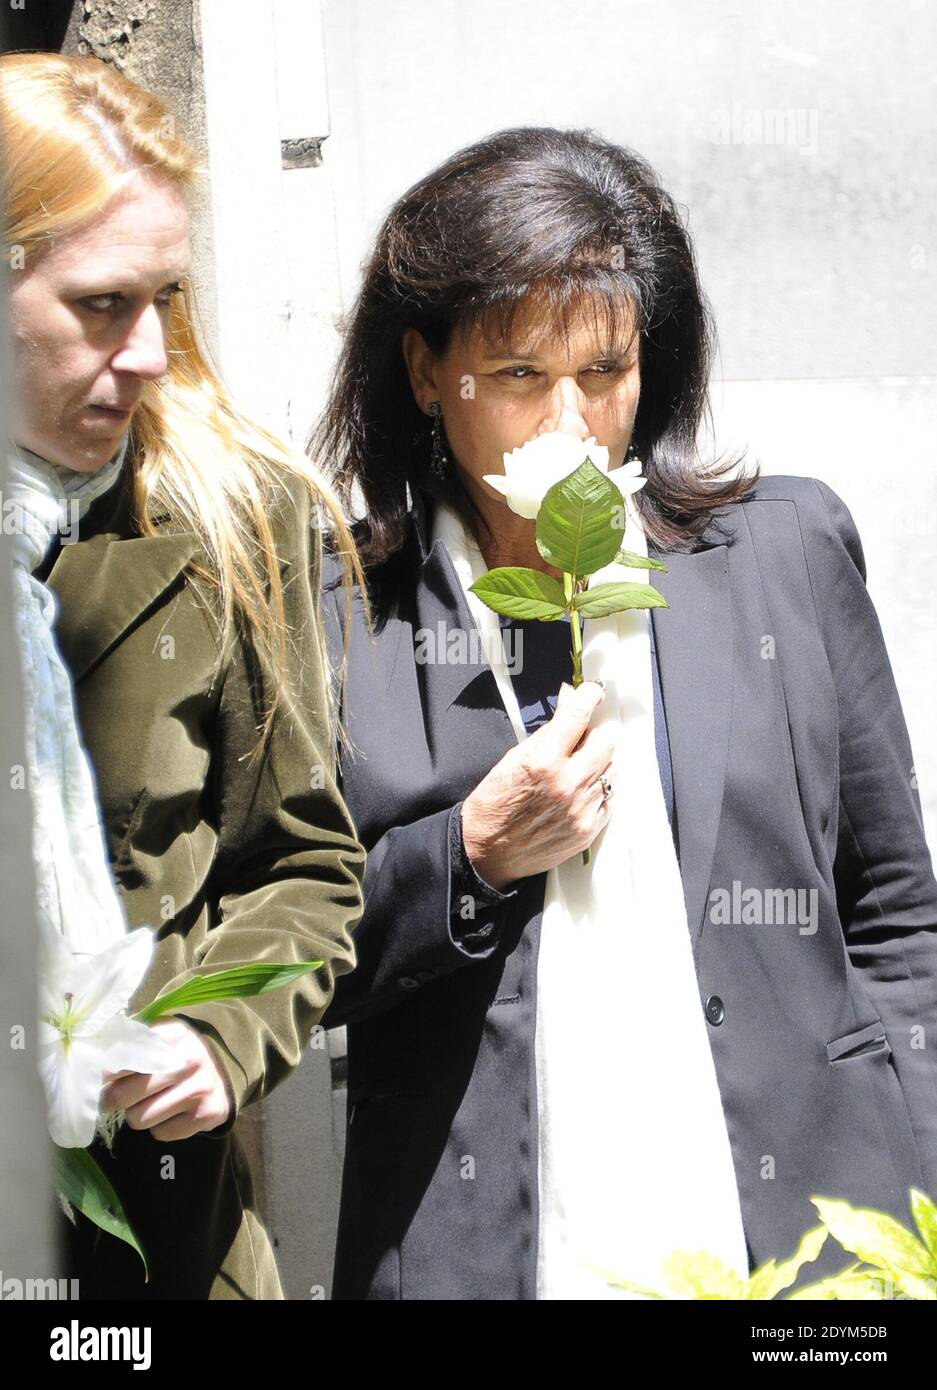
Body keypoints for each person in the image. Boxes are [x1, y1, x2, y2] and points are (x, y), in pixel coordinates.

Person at [314, 125, 937, 1300]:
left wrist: (913, 1180)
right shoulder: (346, 611)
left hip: (807, 1253)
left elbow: (895, 910)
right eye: (517, 377)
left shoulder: (784, 554)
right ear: (422, 371)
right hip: (504, 1253)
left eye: (603, 372)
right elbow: (286, 957)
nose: (569, 421)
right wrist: (470, 857)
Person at [1, 52, 365, 1299]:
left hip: (163, 1255)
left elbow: (306, 865)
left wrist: (218, 1037)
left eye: (167, 296)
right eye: (102, 304)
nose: (152, 351)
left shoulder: (225, 513)